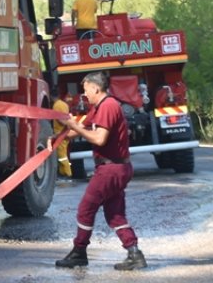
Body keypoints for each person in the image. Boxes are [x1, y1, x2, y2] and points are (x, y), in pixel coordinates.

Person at [55, 71, 147, 271]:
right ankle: (135, 253)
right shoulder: (98, 107)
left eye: (86, 90)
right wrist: (59, 137)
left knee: (85, 209)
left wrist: (73, 126)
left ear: (96, 88)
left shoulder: (108, 106)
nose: (84, 94)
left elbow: (98, 139)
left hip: (110, 169)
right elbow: (80, 128)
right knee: (115, 215)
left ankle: (79, 252)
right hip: (117, 168)